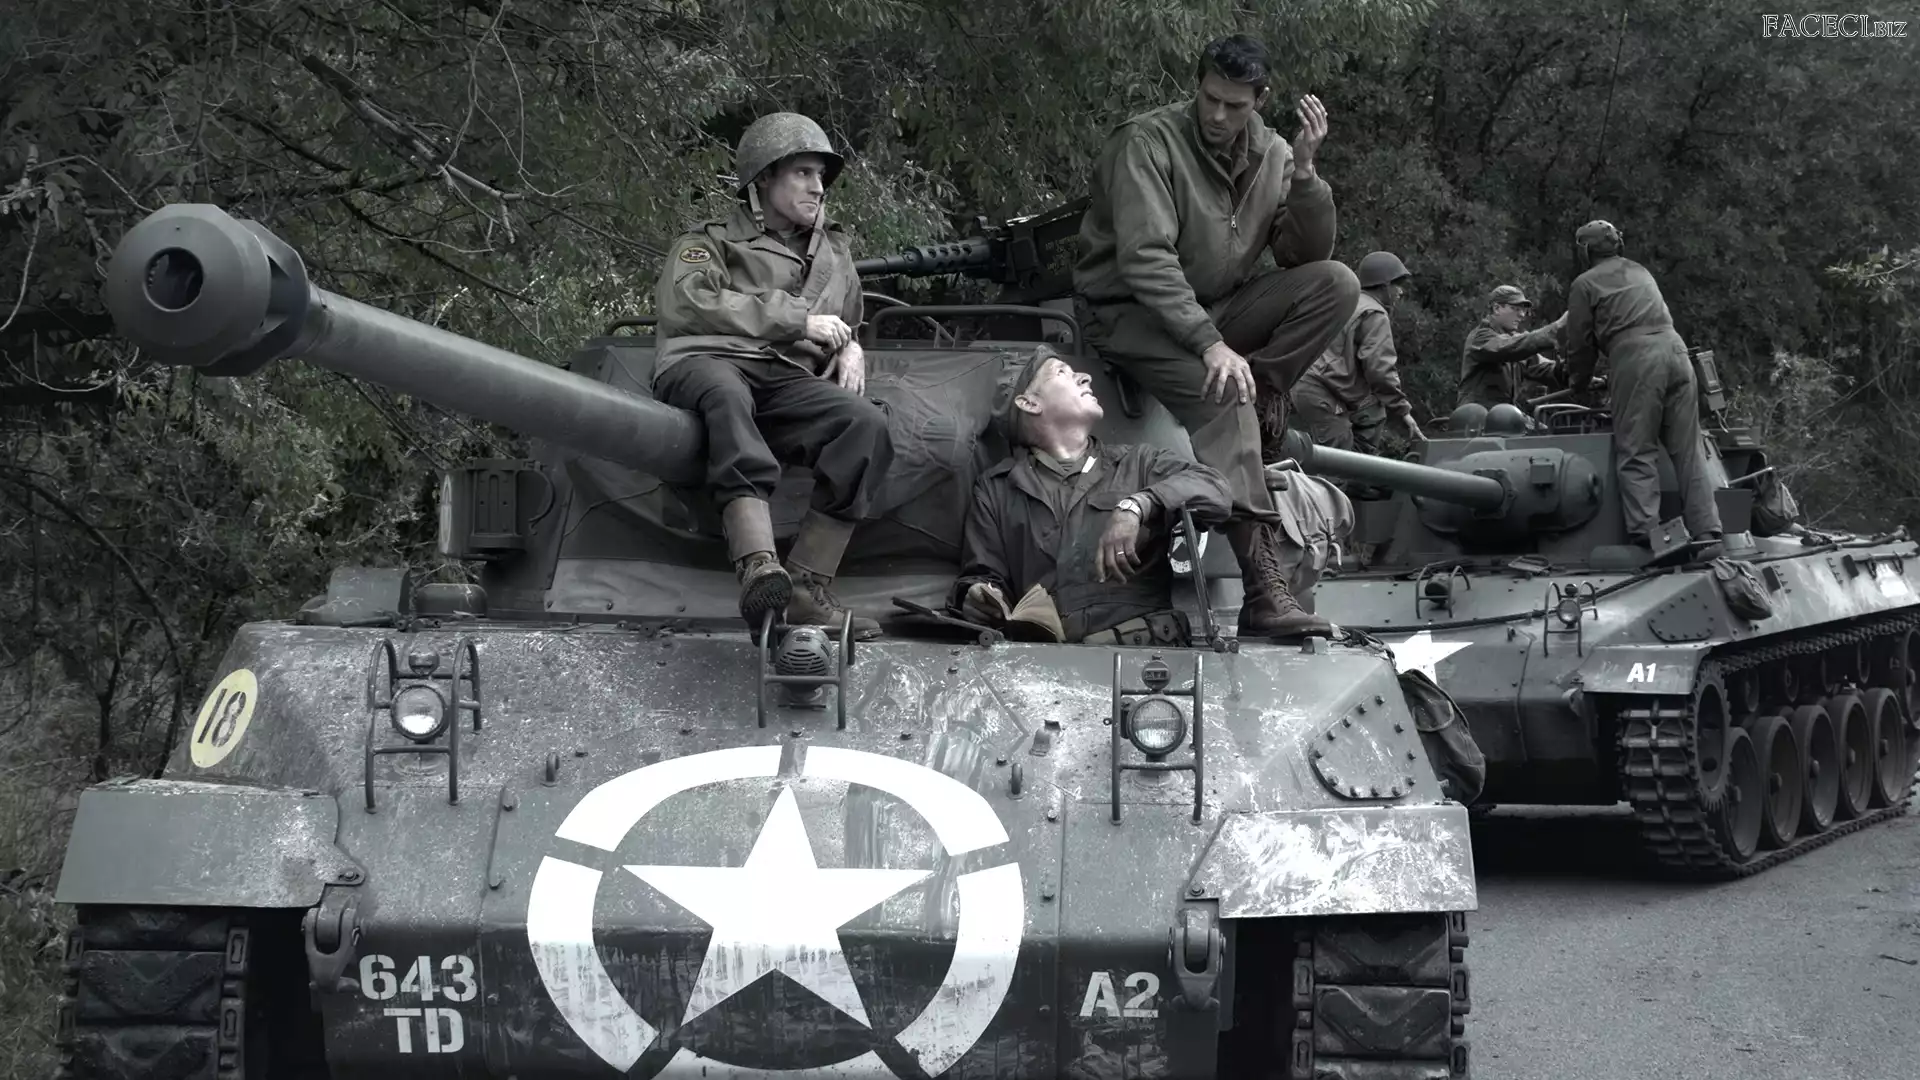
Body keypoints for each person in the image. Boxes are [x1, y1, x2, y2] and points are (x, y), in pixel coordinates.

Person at [1074, 33, 1356, 638]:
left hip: (1213, 308)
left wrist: (1306, 173)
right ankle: (1263, 592)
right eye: (1210, 98)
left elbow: (1304, 254)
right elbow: (1146, 258)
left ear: (1261, 100)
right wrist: (1210, 344)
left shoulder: (1273, 153)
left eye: (1235, 104)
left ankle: (1268, 389)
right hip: (1129, 312)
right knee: (1226, 398)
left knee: (1337, 283)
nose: (1219, 115)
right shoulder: (1147, 141)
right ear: (1197, 86)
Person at [652, 112, 890, 639]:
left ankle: (805, 588)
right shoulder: (711, 242)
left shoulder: (835, 254)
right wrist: (796, 320)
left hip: (784, 377)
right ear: (763, 179)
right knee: (726, 396)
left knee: (864, 425)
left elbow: (847, 320)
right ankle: (758, 563)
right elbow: (688, 303)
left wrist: (853, 346)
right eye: (802, 173)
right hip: (706, 361)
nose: (818, 186)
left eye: (820, 175)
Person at [950, 347, 1234, 646]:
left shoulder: (1139, 463)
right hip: (1046, 658)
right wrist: (976, 596)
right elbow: (983, 575)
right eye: (1062, 372)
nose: (1085, 377)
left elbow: (1217, 489)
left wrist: (1137, 505)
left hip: (1145, 660)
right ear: (1029, 403)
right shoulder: (996, 489)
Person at [1561, 220, 1724, 554]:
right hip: (1676, 351)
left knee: (1636, 449)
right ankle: (1707, 531)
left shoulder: (1584, 283)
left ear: (1585, 251)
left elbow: (1580, 345)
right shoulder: (1640, 271)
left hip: (1636, 358)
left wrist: (1578, 383)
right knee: (1688, 449)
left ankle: (1650, 535)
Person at [1291, 249, 1424, 460]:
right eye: (1397, 285)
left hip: (1306, 386)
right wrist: (1403, 411)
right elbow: (1379, 370)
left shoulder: (1346, 301)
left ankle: (1356, 478)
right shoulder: (1374, 313)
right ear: (1384, 285)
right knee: (1338, 463)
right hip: (1322, 392)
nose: (1401, 291)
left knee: (1365, 420)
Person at [1457, 285, 1566, 411]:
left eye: (1523, 310)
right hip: (1477, 417)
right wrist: (1556, 329)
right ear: (1496, 308)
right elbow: (1511, 347)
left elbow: (1545, 368)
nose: (1521, 315)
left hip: (1503, 417)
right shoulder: (1481, 337)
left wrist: (1575, 371)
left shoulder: (1514, 341)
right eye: (1515, 309)